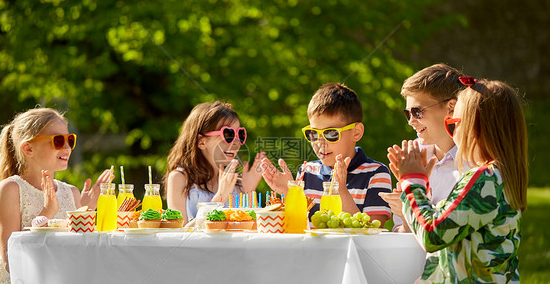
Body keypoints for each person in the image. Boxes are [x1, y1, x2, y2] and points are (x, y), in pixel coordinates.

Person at [387, 78, 526, 284]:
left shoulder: (485, 178)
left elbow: (432, 233)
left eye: (454, 124)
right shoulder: (499, 175)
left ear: (475, 128)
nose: (452, 132)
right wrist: (422, 184)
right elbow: (452, 223)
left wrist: (412, 181)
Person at [0, 107, 111, 284]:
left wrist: (86, 210)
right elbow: (11, 259)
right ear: (28, 149)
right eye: (57, 141)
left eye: (69, 140)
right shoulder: (11, 189)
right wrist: (46, 214)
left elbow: (76, 252)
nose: (67, 148)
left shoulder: (70, 192)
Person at [262, 83, 391, 224]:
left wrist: (340, 190)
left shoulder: (377, 173)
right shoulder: (307, 171)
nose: (320, 142)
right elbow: (296, 226)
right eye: (313, 133)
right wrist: (290, 193)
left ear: (356, 132)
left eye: (330, 133)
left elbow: (371, 233)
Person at [380, 63, 467, 232]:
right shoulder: (413, 156)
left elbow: (453, 233)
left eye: (417, 112)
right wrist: (406, 216)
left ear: (451, 107)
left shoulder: (473, 160)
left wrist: (413, 207)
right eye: (408, 114)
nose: (411, 121)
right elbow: (401, 232)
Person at [164, 101, 264, 223]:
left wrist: (249, 191)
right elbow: (179, 237)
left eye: (240, 135)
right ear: (201, 142)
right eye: (228, 134)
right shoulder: (179, 179)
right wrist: (220, 197)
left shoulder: (237, 184)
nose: (236, 142)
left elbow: (255, 231)